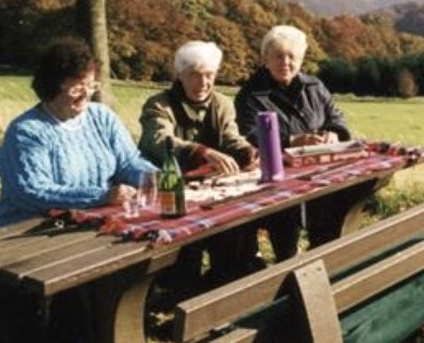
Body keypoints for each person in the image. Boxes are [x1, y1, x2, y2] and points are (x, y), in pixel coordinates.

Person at [0, 38, 158, 228]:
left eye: (92, 85)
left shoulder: (102, 117)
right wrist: (103, 196)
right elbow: (33, 191)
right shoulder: (27, 132)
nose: (86, 94)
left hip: (83, 223)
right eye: (78, 88)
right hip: (25, 230)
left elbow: (128, 162)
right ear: (52, 86)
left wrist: (155, 178)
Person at [138, 40, 262, 286]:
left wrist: (247, 151)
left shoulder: (222, 104)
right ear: (180, 75)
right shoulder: (159, 104)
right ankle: (182, 293)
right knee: (184, 259)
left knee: (238, 229)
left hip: (211, 191)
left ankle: (223, 288)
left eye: (209, 75)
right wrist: (203, 151)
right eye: (195, 75)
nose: (203, 83)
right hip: (170, 194)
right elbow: (159, 141)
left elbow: (231, 138)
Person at [234, 24, 358, 260]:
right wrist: (293, 140)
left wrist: (333, 132)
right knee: (286, 234)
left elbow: (337, 117)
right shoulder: (250, 95)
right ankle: (288, 271)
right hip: (278, 180)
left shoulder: (314, 86)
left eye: (292, 56)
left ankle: (325, 266)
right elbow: (249, 134)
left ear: (301, 59)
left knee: (332, 219)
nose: (286, 62)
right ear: (265, 59)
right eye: (278, 56)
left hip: (321, 174)